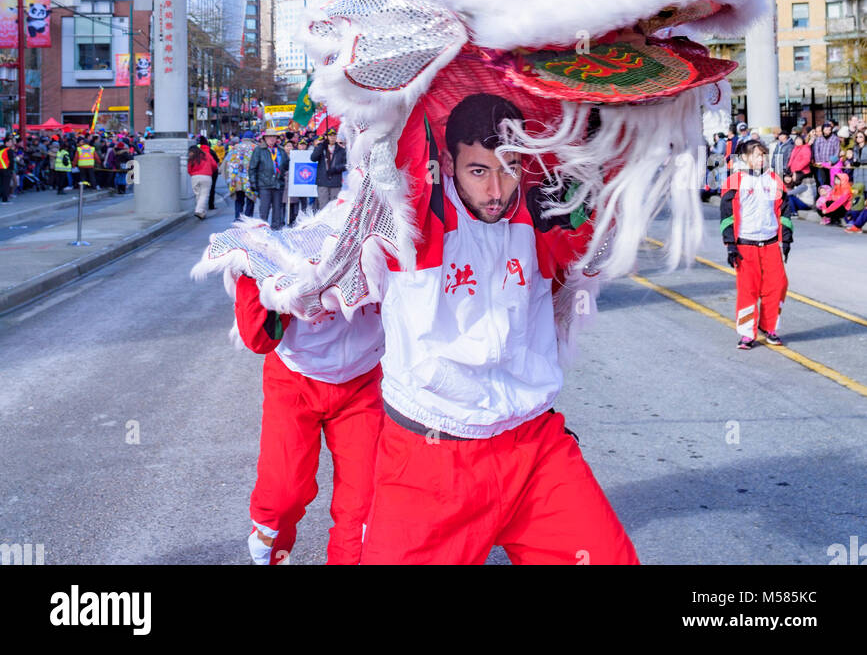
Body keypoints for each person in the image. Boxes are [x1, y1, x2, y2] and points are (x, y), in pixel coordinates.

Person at [357, 92, 639, 566]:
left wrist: (606, 100)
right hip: (432, 461)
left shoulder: (537, 211)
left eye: (508, 168)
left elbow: (602, 178)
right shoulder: (416, 219)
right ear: (447, 162)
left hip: (534, 451)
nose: (496, 190)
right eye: (478, 171)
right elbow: (395, 117)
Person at [234, 271, 384, 566]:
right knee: (282, 497)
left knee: (366, 501)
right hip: (295, 377)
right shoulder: (279, 229)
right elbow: (257, 337)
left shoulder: (377, 224)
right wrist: (261, 273)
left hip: (362, 377)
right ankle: (270, 557)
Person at [720, 138, 793, 350]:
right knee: (748, 290)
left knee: (778, 285)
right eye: (756, 155)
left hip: (770, 243)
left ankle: (769, 327)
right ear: (745, 157)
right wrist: (730, 245)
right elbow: (726, 216)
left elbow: (784, 211)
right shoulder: (734, 181)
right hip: (745, 244)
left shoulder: (774, 180)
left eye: (763, 155)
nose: (760, 159)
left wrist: (786, 239)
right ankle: (746, 333)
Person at [248, 130, 289, 230]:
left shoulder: (281, 150)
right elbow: (252, 167)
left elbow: (287, 165)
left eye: (274, 137)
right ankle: (263, 230)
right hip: (264, 184)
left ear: (277, 139)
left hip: (278, 184)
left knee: (278, 210)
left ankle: (276, 230)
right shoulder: (259, 150)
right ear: (265, 138)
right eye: (269, 136)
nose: (272, 139)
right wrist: (253, 182)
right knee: (264, 210)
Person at [311, 127, 347, 210]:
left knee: (335, 207)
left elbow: (346, 165)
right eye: (330, 135)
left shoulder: (341, 150)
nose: (332, 137)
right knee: (323, 207)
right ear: (326, 137)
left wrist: (335, 169)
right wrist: (321, 146)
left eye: (334, 135)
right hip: (323, 182)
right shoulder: (321, 148)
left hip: (335, 182)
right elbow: (313, 158)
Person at [224, 132, 256, 220]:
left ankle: (238, 219)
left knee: (239, 200)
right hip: (250, 180)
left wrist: (229, 178)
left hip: (236, 180)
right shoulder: (255, 148)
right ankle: (248, 219)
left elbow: (226, 163)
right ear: (252, 138)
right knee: (250, 200)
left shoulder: (235, 147)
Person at [188, 137, 218, 220]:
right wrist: (210, 170)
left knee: (198, 195)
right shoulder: (207, 155)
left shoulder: (192, 157)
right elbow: (214, 165)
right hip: (206, 176)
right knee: (204, 195)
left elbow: (189, 168)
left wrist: (192, 174)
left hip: (194, 177)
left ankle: (202, 212)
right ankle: (199, 210)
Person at [812, 122, 840, 187]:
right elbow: (816, 150)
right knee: (823, 180)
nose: (827, 131)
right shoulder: (819, 139)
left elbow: (837, 151)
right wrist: (819, 162)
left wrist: (832, 161)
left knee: (831, 179)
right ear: (823, 130)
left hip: (831, 163)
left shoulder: (835, 138)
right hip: (821, 163)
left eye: (829, 129)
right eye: (826, 129)